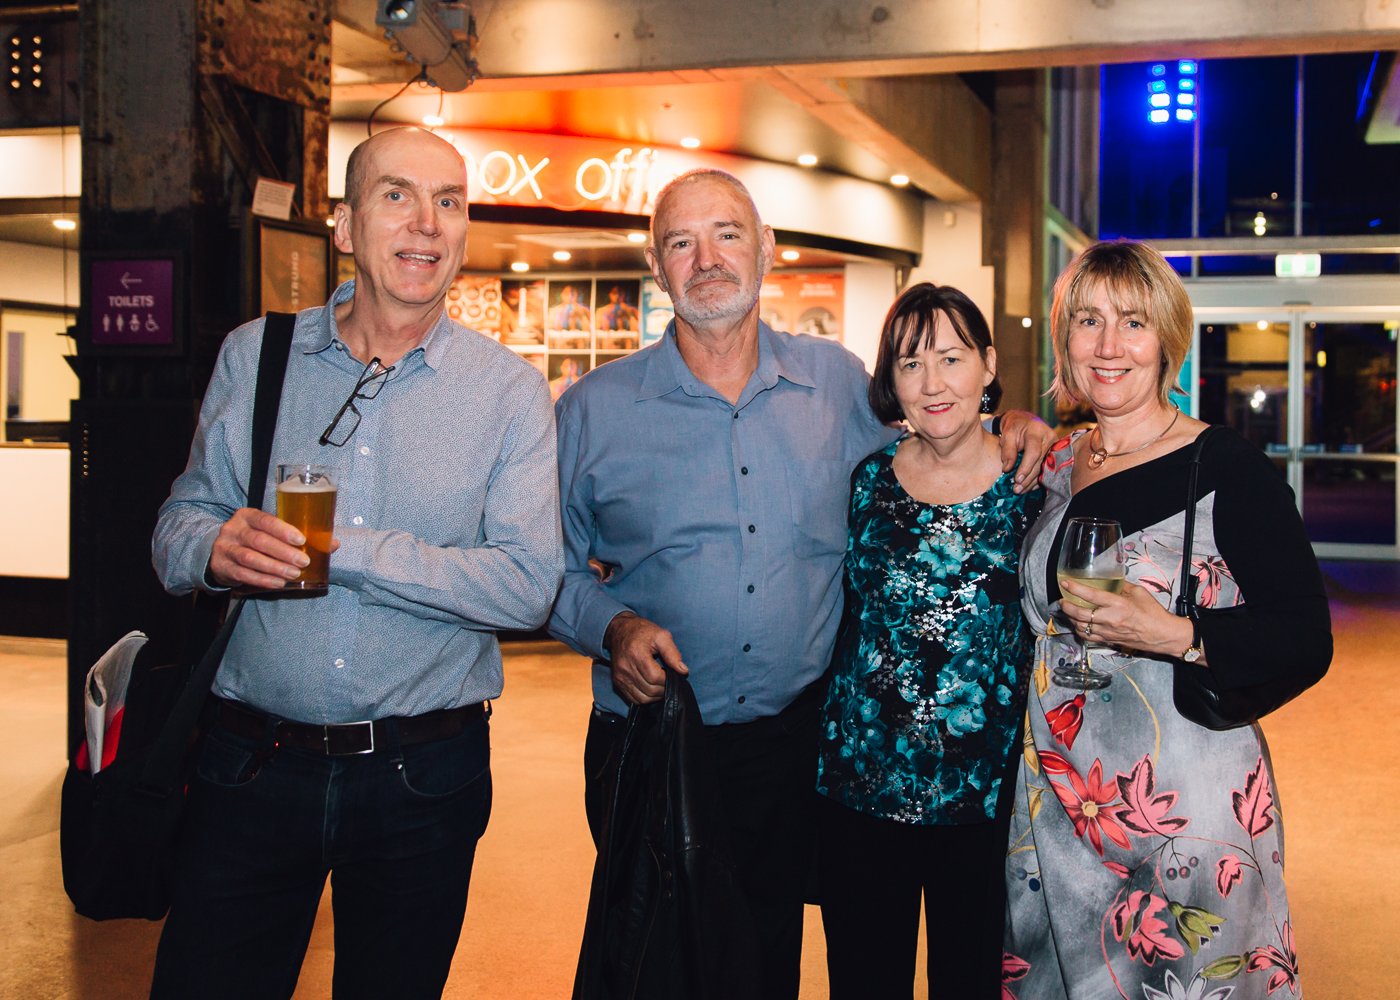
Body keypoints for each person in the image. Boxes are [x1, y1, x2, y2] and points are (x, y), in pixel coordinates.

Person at [548, 167, 1053, 1000]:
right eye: (682, 241)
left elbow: (935, 425)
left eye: (728, 234)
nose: (706, 258)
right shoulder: (594, 410)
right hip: (655, 743)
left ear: (768, 251)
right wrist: (611, 627)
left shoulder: (835, 384)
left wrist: (1013, 424)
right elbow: (548, 569)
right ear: (655, 264)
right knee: (652, 964)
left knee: (768, 959)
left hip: (791, 748)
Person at [149, 127, 563, 999]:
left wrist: (354, 554)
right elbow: (176, 529)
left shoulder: (508, 393)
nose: (427, 223)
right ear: (342, 225)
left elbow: (528, 585)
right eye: (397, 195)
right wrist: (214, 549)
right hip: (249, 766)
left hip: (424, 777)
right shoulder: (257, 356)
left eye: (449, 202)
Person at [1002, 241, 1332, 999]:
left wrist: (1181, 636)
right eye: (1088, 321)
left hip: (1184, 810)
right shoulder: (1054, 462)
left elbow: (1307, 638)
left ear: (1167, 342)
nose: (1109, 345)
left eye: (1132, 322)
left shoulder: (1224, 467)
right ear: (1064, 340)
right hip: (1058, 797)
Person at [816, 283, 1043, 999]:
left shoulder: (1034, 483)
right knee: (863, 980)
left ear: (987, 365)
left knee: (969, 983)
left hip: (984, 800)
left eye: (951, 358)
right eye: (911, 364)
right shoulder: (866, 482)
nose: (933, 383)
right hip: (860, 788)